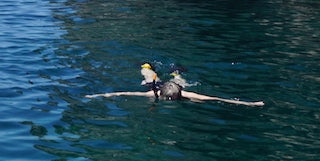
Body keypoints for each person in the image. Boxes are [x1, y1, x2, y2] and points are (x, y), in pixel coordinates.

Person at [86, 64, 263, 106]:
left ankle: (176, 73)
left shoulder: (186, 94)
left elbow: (216, 98)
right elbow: (122, 93)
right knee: (148, 77)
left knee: (179, 80)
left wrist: (248, 103)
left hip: (172, 84)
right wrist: (99, 95)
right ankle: (147, 67)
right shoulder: (153, 93)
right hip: (155, 85)